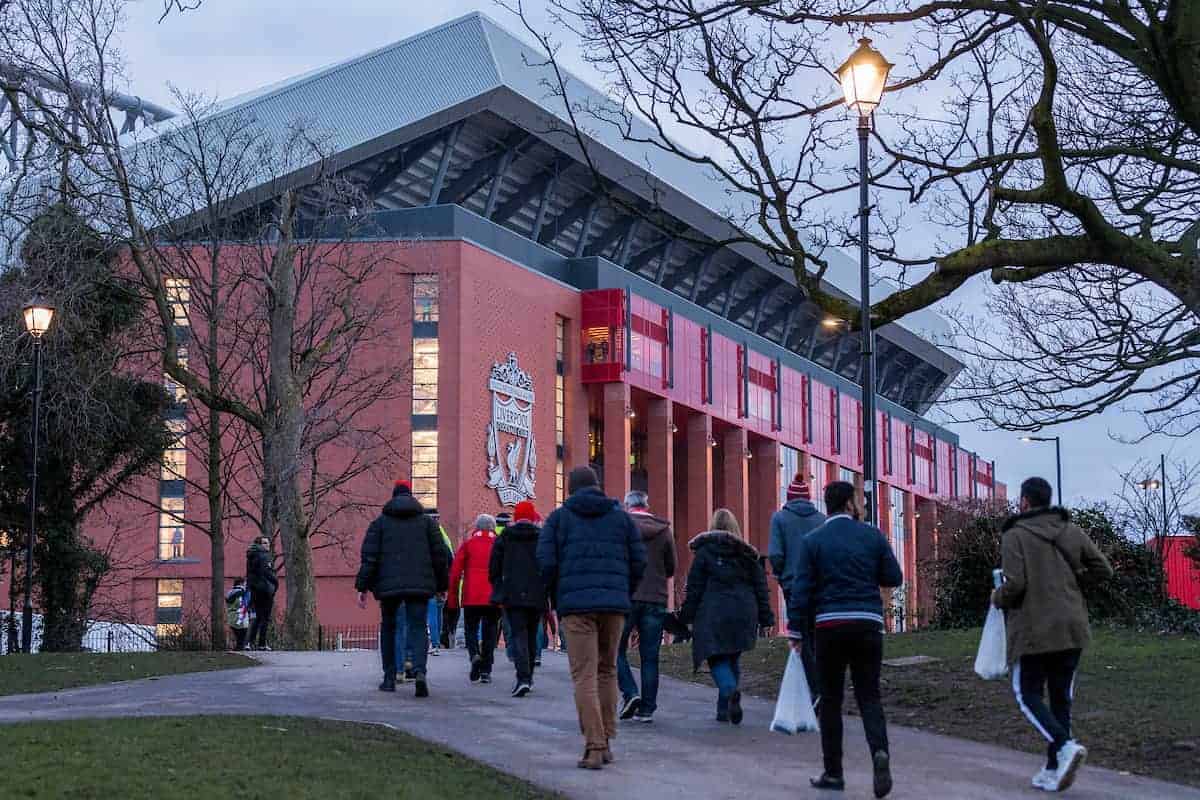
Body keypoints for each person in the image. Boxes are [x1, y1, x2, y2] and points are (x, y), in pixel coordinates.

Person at [992, 477, 1113, 793]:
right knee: (1061, 698)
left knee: (1027, 694)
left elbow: (1015, 584)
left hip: (1033, 629)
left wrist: (997, 597)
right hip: (1072, 627)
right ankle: (1051, 768)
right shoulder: (1070, 530)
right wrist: (1074, 585)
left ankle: (1063, 746)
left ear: (1024, 502)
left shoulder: (1014, 536)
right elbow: (1104, 569)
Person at [787, 481, 902, 799]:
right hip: (867, 624)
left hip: (829, 625)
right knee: (869, 695)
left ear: (827, 505)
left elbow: (802, 590)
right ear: (850, 504)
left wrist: (796, 631)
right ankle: (880, 752)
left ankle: (834, 773)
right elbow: (894, 577)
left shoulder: (813, 541)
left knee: (831, 700)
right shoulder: (872, 536)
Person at [538, 465, 646, 770]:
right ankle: (607, 740)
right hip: (614, 605)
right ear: (597, 486)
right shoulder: (621, 518)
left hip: (575, 606)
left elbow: (545, 562)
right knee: (607, 670)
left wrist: (556, 593)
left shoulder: (559, 520)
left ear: (570, 488)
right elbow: (639, 560)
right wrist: (623, 590)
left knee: (583, 674)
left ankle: (595, 745)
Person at [677, 509, 774, 726]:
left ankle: (730, 692)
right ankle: (724, 710)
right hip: (744, 612)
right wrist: (766, 616)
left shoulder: (704, 554)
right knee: (732, 657)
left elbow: (694, 588)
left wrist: (686, 615)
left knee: (716, 658)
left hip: (713, 612)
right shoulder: (748, 556)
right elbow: (761, 587)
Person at [354, 480, 450, 698]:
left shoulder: (379, 524)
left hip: (389, 587)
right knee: (418, 627)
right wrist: (442, 585)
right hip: (420, 585)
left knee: (389, 627)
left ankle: (389, 677)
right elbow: (440, 557)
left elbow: (369, 557)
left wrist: (362, 587)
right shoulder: (428, 524)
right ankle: (419, 672)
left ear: (393, 496)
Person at [617, 490, 676, 724]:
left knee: (614, 650)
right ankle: (647, 710)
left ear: (627, 506)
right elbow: (671, 566)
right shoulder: (664, 530)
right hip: (656, 597)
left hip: (625, 596)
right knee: (650, 656)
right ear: (646, 505)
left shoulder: (620, 527)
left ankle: (630, 692)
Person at [768, 474, 827, 704]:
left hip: (793, 585)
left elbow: (775, 553)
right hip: (820, 587)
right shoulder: (822, 519)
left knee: (799, 636)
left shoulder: (780, 518)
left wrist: (781, 574)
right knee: (816, 636)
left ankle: (815, 688)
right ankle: (819, 686)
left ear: (789, 497)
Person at [489, 500, 547, 697]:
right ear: (532, 517)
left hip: (512, 593)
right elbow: (549, 565)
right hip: (537, 593)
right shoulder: (541, 537)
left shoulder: (506, 536)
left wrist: (499, 585)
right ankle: (528, 676)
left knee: (519, 634)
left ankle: (523, 677)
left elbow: (494, 566)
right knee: (531, 633)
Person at [449, 514, 501, 684]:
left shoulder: (468, 545)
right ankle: (486, 670)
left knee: (470, 629)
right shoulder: (499, 545)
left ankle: (474, 655)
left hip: (471, 595)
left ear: (477, 528)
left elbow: (455, 572)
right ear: (493, 528)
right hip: (493, 596)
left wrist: (453, 596)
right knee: (490, 631)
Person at [426, 509, 454, 657]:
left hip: (427, 581)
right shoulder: (443, 539)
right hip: (440, 581)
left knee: (431, 612)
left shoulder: (422, 539)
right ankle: (437, 643)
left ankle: (433, 642)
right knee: (437, 611)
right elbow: (450, 560)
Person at [245, 535, 278, 650]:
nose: (267, 545)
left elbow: (249, 574)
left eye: (268, 543)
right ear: (259, 544)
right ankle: (262, 644)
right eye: (265, 543)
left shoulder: (250, 556)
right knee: (265, 618)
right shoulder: (264, 556)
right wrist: (275, 582)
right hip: (265, 590)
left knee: (257, 617)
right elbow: (267, 573)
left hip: (254, 590)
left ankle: (249, 642)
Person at [225, 577, 250, 651]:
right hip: (240, 617)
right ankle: (239, 650)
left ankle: (238, 649)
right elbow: (242, 604)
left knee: (239, 636)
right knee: (242, 636)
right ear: (241, 583)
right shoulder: (242, 592)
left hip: (231, 617)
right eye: (244, 583)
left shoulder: (230, 592)